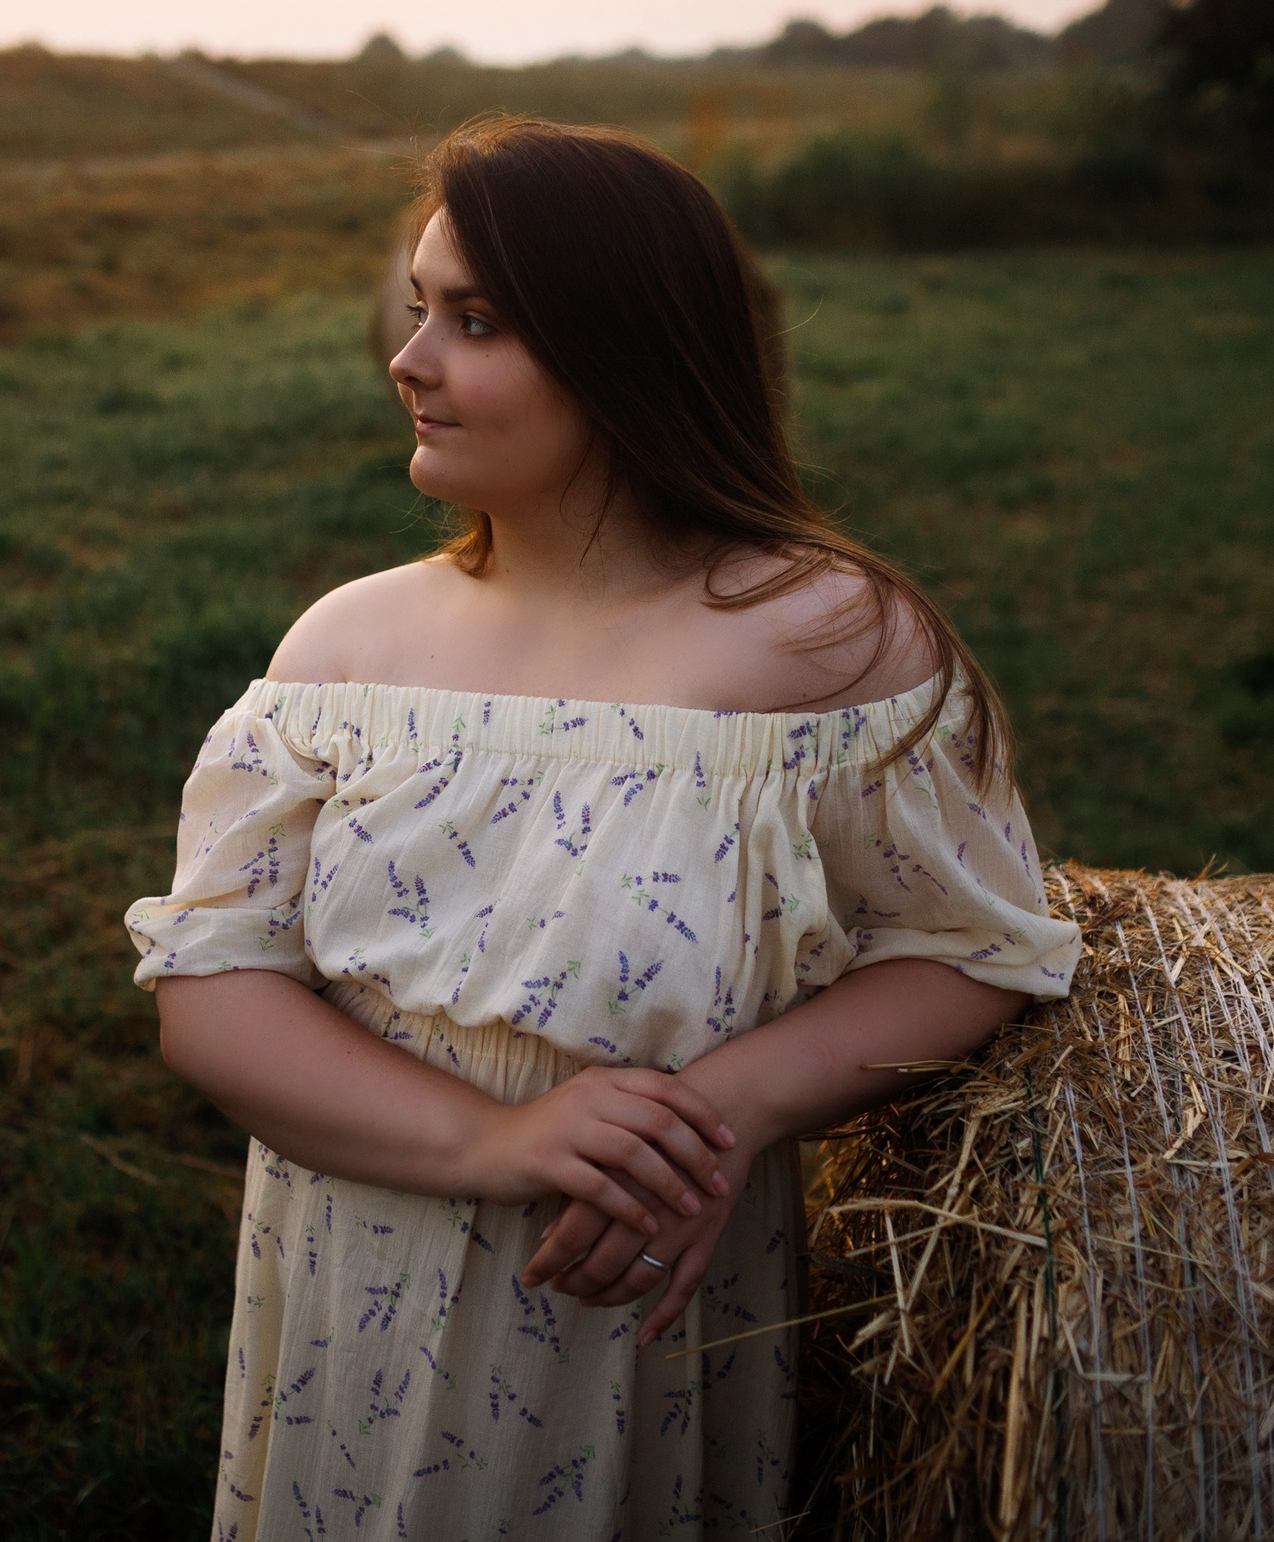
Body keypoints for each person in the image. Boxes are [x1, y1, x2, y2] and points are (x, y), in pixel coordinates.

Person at [125, 117, 1078, 1538]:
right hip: (357, 1283)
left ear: (625, 347)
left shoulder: (826, 643)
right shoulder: (344, 652)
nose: (410, 359)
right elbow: (212, 992)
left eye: (477, 319)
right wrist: (493, 1144)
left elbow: (971, 946)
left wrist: (725, 1112)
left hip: (636, 1305)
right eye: (420, 308)